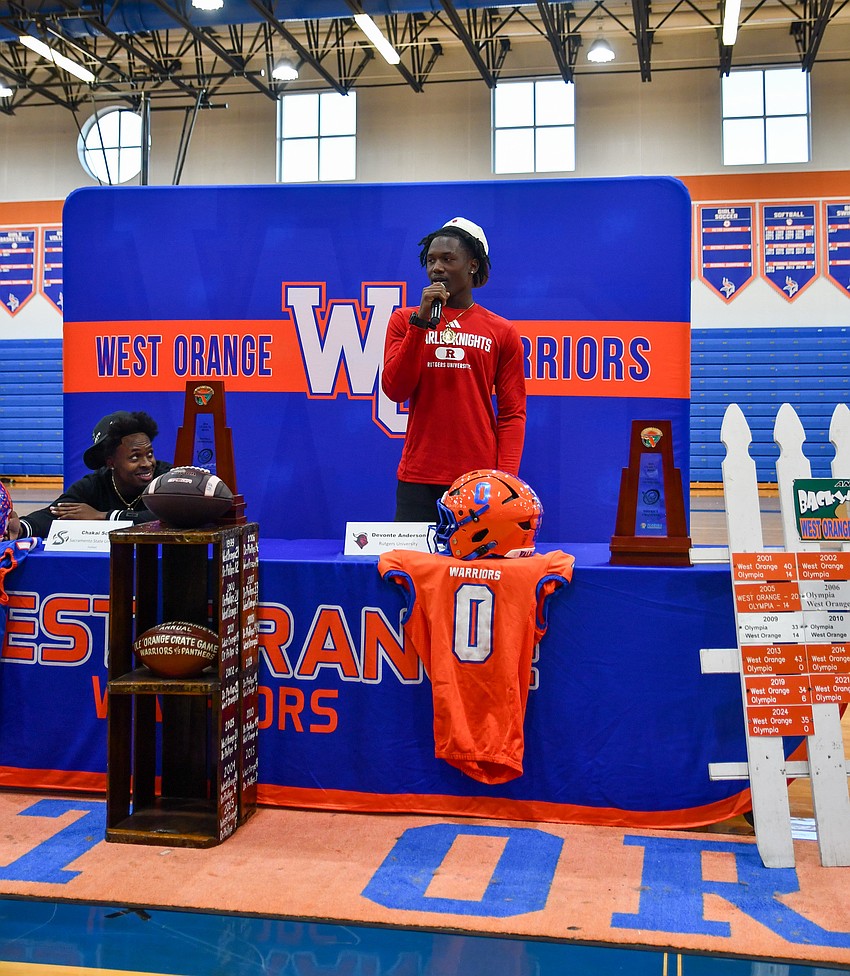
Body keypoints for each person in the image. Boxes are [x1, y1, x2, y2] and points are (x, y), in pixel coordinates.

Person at [381, 216, 526, 522]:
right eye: (431, 260)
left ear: (472, 265)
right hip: (417, 478)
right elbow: (395, 390)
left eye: (448, 259)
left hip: (479, 483)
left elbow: (513, 414)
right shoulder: (404, 320)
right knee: (411, 569)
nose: (437, 268)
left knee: (474, 569)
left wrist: (505, 481)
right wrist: (419, 324)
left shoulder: (501, 331)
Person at [6, 411, 171, 540]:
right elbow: (55, 513)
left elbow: (168, 517)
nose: (147, 463)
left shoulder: (167, 478)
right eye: (135, 457)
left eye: (149, 454)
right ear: (110, 462)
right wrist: (21, 527)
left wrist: (103, 516)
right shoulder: (94, 484)